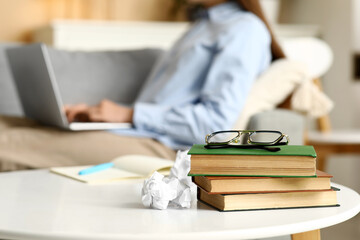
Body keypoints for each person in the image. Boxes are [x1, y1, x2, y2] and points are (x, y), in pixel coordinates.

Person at [0, 0, 285, 171]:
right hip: (138, 133)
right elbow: (168, 105)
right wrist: (100, 114)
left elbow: (214, 127)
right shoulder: (200, 26)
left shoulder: (244, 29)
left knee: (7, 144)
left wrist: (127, 114)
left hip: (165, 150)